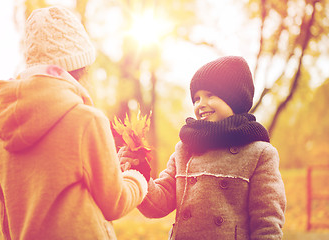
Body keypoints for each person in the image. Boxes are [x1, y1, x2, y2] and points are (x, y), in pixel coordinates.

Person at [0, 6, 148, 240]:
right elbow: (115, 203)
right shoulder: (87, 121)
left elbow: (6, 222)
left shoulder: (1, 136)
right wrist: (136, 176)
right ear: (81, 66)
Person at [120, 56, 286, 239]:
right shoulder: (185, 149)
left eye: (210, 95)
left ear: (234, 100)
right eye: (196, 98)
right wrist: (139, 170)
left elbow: (267, 223)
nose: (200, 104)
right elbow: (158, 204)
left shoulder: (260, 153)